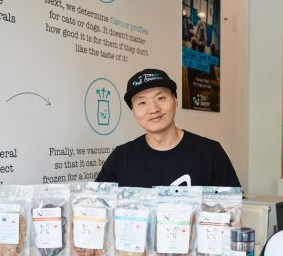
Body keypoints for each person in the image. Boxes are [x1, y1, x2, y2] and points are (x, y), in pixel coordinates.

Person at [95, 68, 241, 188]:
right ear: (133, 111)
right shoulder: (121, 158)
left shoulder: (210, 153)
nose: (153, 109)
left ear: (175, 100)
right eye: (142, 103)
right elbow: (95, 209)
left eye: (161, 98)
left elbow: (232, 213)